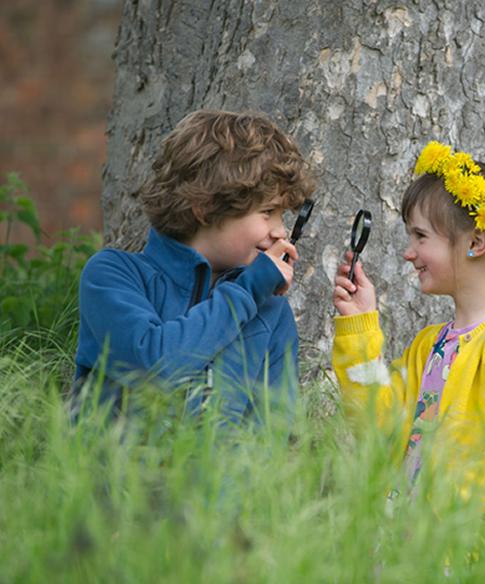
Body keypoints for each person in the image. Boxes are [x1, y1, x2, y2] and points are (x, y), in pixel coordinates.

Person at [331, 141, 485, 509]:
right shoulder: (428, 346)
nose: (409, 252)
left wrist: (440, 503)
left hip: (473, 556)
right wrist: (360, 326)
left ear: (476, 241)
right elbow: (377, 430)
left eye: (420, 236)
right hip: (407, 550)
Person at [73, 109, 315, 422]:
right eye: (267, 212)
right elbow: (153, 370)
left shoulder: (270, 310)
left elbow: (273, 429)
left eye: (283, 216)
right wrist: (246, 291)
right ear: (205, 207)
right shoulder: (112, 275)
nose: (280, 231)